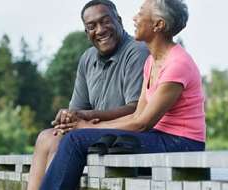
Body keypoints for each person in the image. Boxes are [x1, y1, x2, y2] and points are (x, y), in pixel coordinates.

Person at [40, 0, 206, 189]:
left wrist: (85, 127)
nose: (134, 18)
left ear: (158, 24)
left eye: (141, 13)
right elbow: (136, 116)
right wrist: (90, 125)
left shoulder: (177, 64)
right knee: (87, 139)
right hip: (158, 137)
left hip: (181, 143)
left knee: (75, 140)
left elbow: (142, 123)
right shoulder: (152, 61)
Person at [26, 0, 150, 189]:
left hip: (123, 135)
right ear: (86, 33)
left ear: (119, 20)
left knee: (61, 142)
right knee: (46, 136)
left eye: (105, 21)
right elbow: (78, 110)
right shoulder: (87, 58)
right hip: (94, 130)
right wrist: (68, 117)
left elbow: (136, 110)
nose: (99, 30)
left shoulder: (137, 51)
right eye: (91, 26)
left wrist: (89, 117)